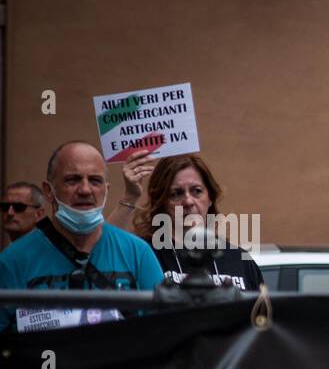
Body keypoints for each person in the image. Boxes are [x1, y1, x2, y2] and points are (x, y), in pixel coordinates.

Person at [0, 141, 163, 332]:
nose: (85, 190)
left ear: (106, 190)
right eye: (72, 180)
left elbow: (165, 331)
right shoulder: (13, 261)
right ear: (48, 191)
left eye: (95, 180)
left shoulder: (138, 253)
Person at [106, 154, 264, 290]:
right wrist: (130, 196)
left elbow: (261, 318)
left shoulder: (239, 258)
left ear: (210, 199)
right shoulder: (145, 253)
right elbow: (104, 253)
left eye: (197, 191)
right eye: (176, 194)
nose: (188, 201)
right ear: (162, 203)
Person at [2, 181, 46, 246]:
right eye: (5, 207)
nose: (9, 213)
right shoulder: (7, 250)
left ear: (38, 214)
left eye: (18, 207)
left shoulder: (47, 249)